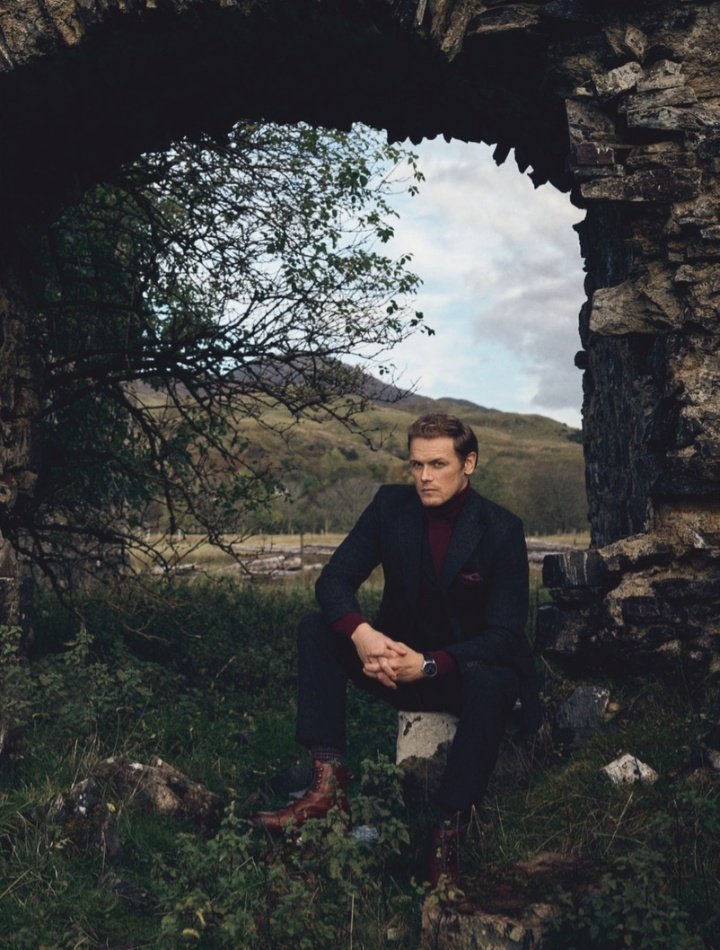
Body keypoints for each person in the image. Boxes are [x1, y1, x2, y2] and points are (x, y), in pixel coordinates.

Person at [252, 412, 541, 886]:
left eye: (438, 464)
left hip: (461, 672)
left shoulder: (501, 528)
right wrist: (363, 635)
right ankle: (327, 786)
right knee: (317, 629)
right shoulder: (391, 506)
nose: (425, 477)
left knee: (495, 680)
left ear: (468, 464)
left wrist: (428, 665)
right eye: (416, 465)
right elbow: (334, 581)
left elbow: (506, 634)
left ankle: (447, 828)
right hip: (391, 663)